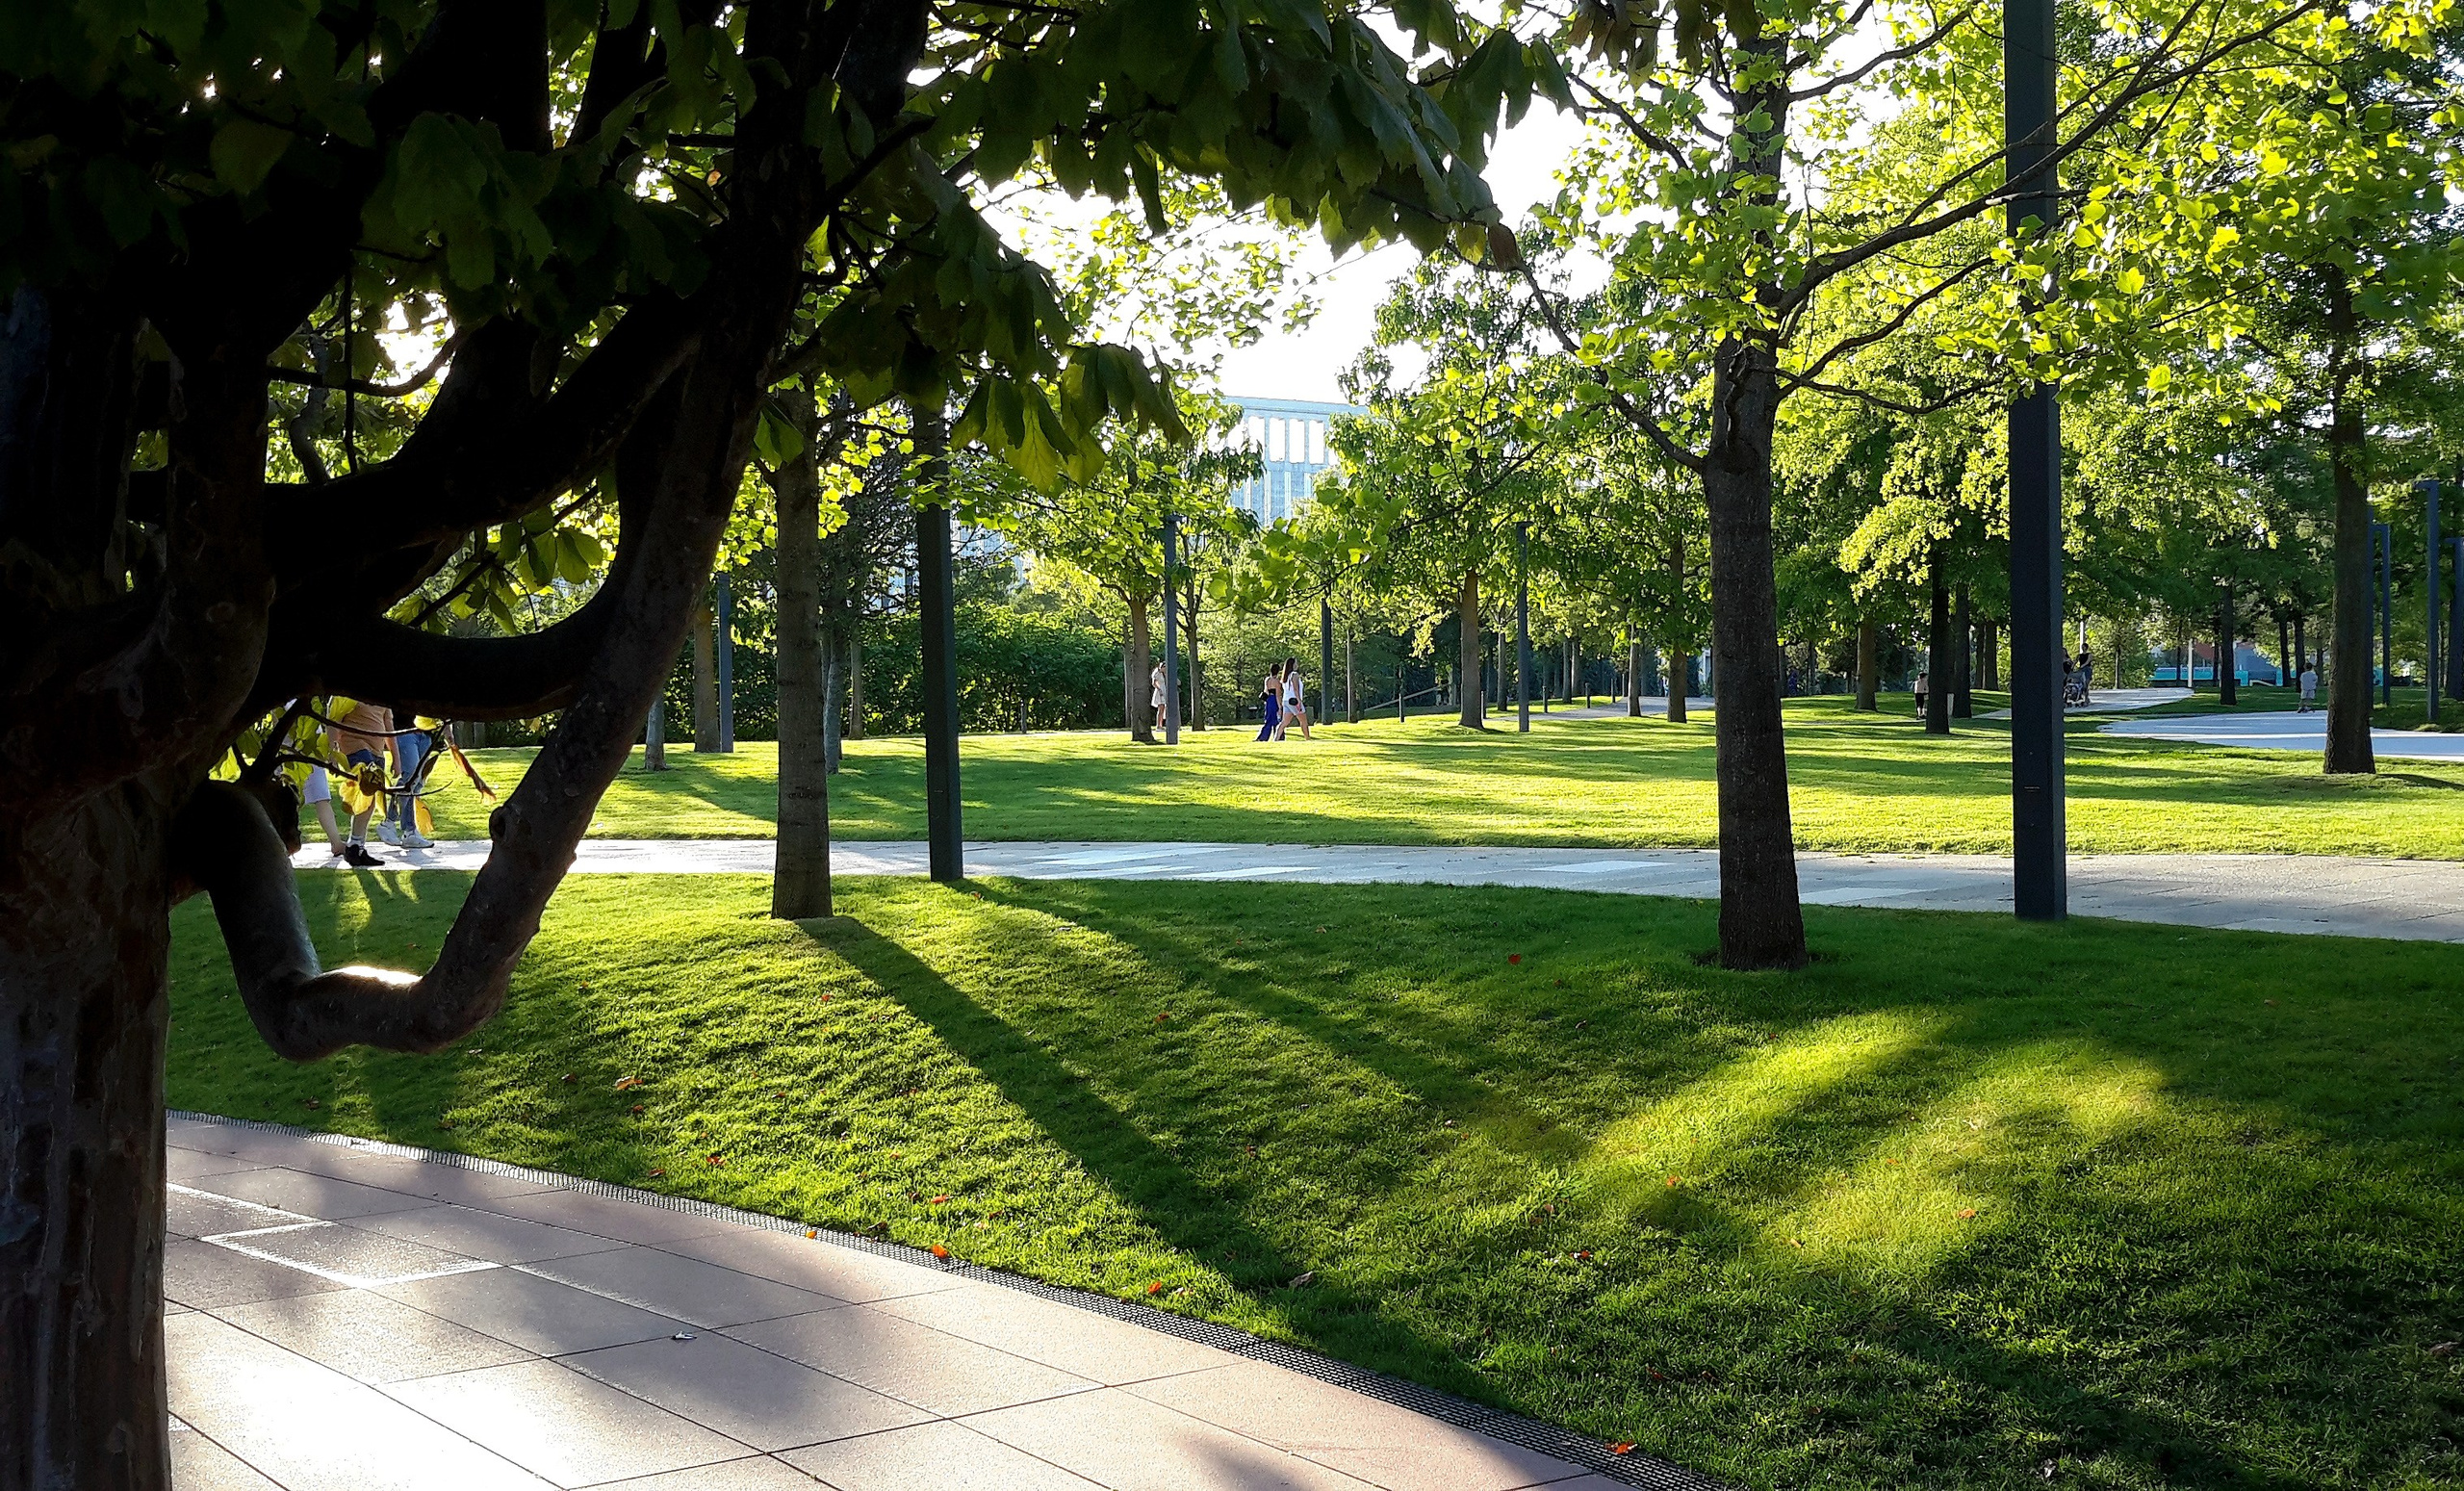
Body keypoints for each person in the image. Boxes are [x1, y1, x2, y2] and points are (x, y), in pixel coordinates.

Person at [326, 696, 394, 867]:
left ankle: (356, 846)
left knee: (370, 802)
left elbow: (388, 726)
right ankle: (355, 847)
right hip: (355, 746)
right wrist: (332, 752)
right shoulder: (349, 691)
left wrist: (396, 759)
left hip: (377, 751)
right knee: (365, 792)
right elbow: (333, 718)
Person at [386, 711, 436, 849]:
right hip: (405, 731)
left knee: (417, 783)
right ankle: (407, 830)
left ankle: (391, 823)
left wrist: (448, 732)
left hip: (426, 734)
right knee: (410, 779)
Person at [300, 763, 345, 858]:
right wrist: (332, 758)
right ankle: (336, 843)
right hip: (311, 761)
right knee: (322, 799)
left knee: (322, 799)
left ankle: (336, 843)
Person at [1282, 655, 1310, 739]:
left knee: (1285, 722)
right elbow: (1295, 688)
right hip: (1294, 701)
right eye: (1296, 663)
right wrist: (1299, 701)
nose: (1297, 665)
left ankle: (1276, 738)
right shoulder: (1294, 674)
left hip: (1286, 700)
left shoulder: (1285, 676)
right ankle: (1307, 738)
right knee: (1303, 721)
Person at [1255, 663, 1282, 742]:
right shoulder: (1277, 681)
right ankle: (1279, 736)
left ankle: (1263, 736)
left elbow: (1265, 691)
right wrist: (1280, 706)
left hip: (1268, 700)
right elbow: (1278, 694)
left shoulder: (1267, 679)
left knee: (1268, 719)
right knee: (1276, 720)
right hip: (1274, 700)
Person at [1150, 659, 1167, 736]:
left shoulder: (1163, 674)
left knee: (1163, 708)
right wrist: (1159, 690)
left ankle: (1161, 724)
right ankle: (1158, 725)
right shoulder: (1157, 673)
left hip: (1163, 689)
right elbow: (1154, 683)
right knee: (1160, 708)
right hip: (1160, 691)